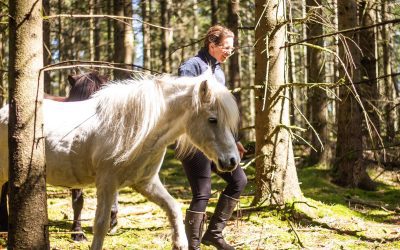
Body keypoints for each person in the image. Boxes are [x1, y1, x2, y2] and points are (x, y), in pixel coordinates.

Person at [178, 25, 247, 250]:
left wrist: (233, 139)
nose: (230, 51)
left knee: (239, 181)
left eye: (232, 48)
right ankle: (193, 246)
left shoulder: (219, 71)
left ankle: (214, 234)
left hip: (218, 141)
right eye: (226, 47)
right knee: (203, 192)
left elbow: (220, 113)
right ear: (212, 45)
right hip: (194, 141)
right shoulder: (191, 67)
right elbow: (185, 103)